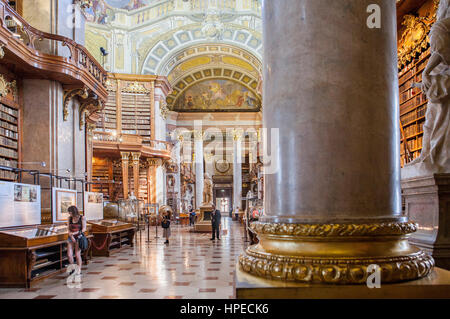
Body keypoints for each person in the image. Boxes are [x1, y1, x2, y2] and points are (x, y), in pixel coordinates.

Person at [67, 206, 86, 274]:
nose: (69, 213)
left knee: (77, 254)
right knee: (69, 255)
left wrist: (75, 233)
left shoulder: (82, 217)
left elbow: (84, 229)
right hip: (70, 237)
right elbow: (68, 228)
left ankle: (79, 270)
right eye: (69, 212)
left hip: (79, 237)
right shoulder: (69, 218)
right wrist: (71, 235)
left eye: (70, 212)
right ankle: (73, 269)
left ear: (74, 211)